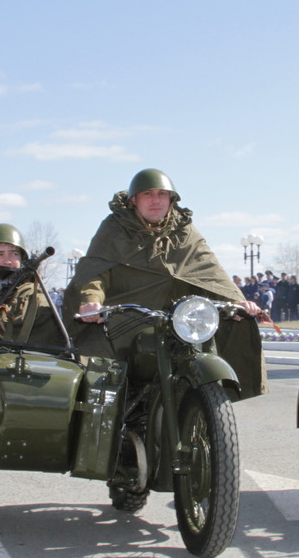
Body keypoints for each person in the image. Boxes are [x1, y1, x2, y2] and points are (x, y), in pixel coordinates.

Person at [63, 168, 266, 397]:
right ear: (134, 200)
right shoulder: (114, 229)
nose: (156, 200)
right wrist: (92, 301)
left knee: (203, 361)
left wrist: (237, 302)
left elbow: (210, 270)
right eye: (148, 194)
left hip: (178, 323)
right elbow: (95, 272)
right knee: (103, 388)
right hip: (124, 322)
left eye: (162, 194)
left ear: (171, 200)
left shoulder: (185, 230)